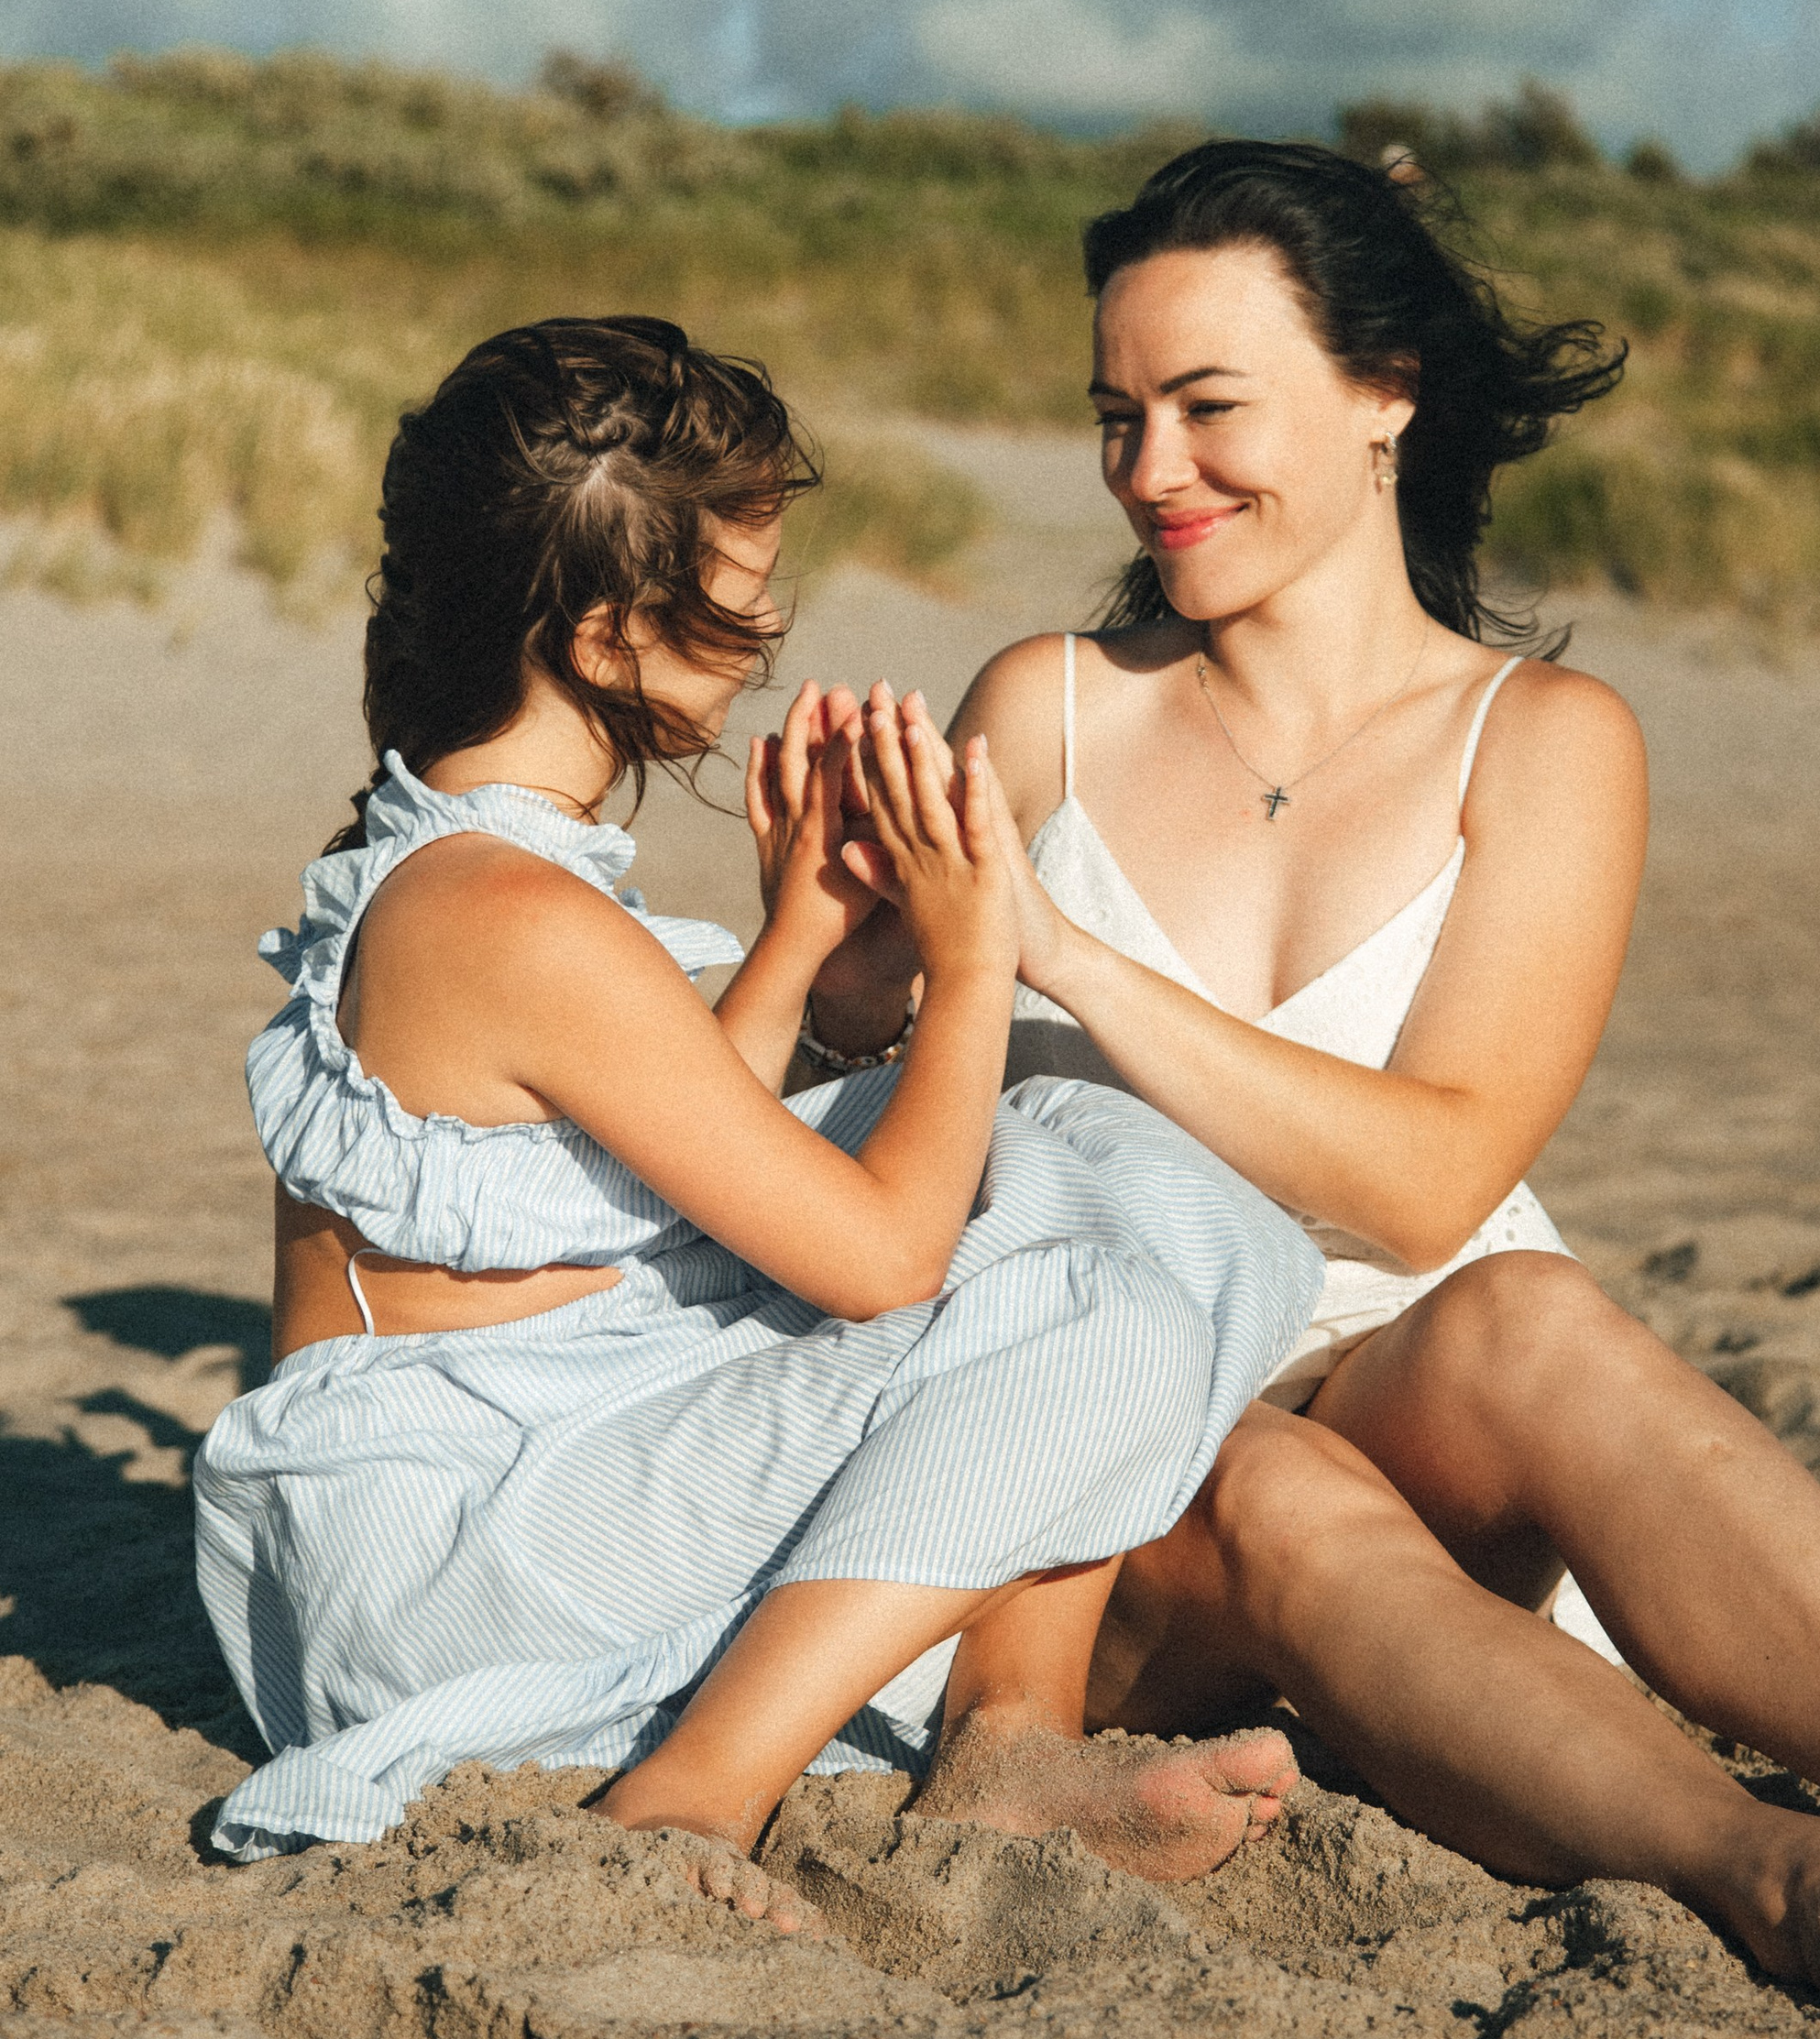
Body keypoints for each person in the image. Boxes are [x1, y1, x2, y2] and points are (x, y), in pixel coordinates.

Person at [794, 142, 1820, 2039]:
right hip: (1110, 1464)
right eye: (1116, 417)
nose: (1147, 472)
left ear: (1380, 399)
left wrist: (1061, 958)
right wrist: (855, 961)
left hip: (1413, 1381)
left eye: (1205, 408)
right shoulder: (1046, 706)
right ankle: (1787, 1876)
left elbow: (1426, 1189)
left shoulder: (1544, 742)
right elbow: (858, 1075)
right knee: (1267, 1470)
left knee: (1533, 1316)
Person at [192, 313, 1323, 1895]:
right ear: (604, 637)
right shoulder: (510, 914)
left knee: (1087, 1160)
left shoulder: (471, 865)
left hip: (502, 1488)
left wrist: (796, 938)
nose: (766, 628)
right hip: (457, 1574)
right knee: (1115, 1278)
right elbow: (881, 1263)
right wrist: (978, 954)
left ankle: (1003, 1740)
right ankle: (703, 1790)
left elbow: (623, 1182)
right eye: (735, 603)